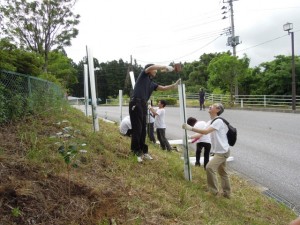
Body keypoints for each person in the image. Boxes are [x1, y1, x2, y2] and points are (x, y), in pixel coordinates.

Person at [129, 64, 181, 163]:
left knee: (143, 130)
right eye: (155, 70)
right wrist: (165, 67)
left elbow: (163, 88)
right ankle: (135, 152)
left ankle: (143, 151)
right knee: (137, 129)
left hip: (143, 104)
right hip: (136, 102)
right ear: (150, 70)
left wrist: (174, 86)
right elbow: (152, 67)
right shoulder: (143, 75)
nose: (156, 71)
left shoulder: (152, 83)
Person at [182, 103, 231, 198]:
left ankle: (214, 192)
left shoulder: (218, 121)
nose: (210, 106)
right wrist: (190, 137)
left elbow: (205, 132)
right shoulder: (210, 122)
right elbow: (201, 134)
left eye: (213, 106)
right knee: (223, 173)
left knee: (209, 167)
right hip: (220, 151)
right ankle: (227, 194)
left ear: (217, 110)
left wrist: (190, 128)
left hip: (223, 152)